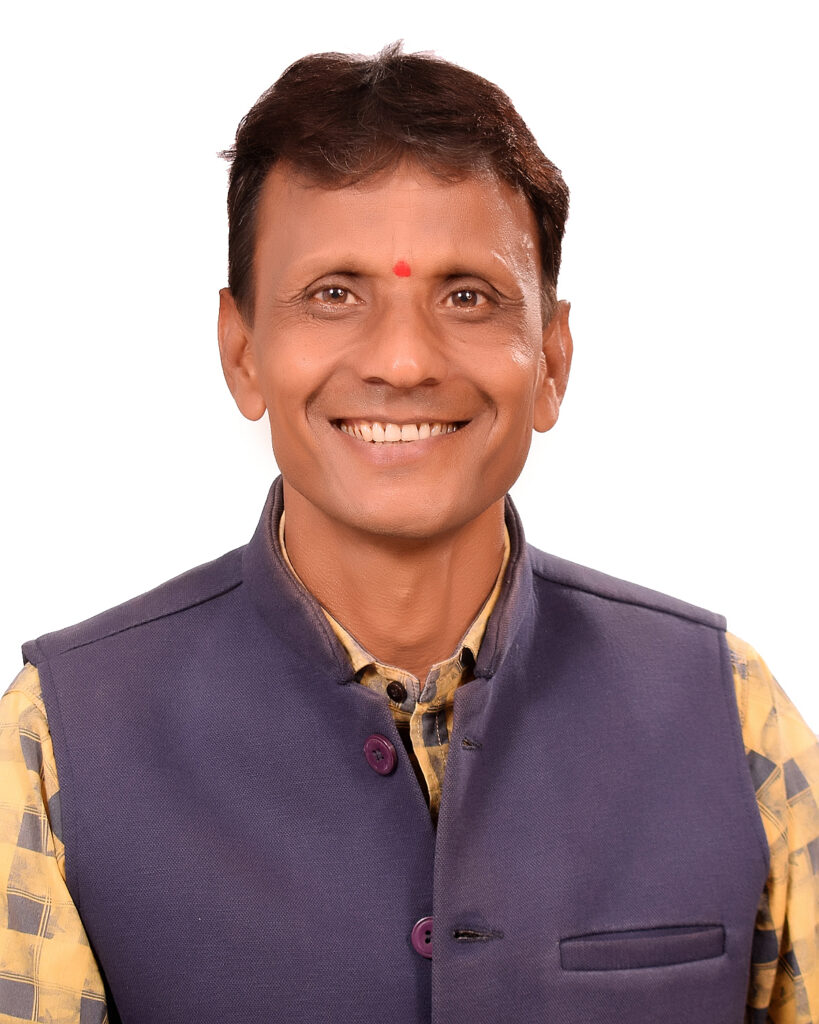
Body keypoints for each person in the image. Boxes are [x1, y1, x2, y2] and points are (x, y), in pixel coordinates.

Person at [1, 42, 817, 1024]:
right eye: (333, 294)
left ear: (552, 360)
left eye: (467, 296)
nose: (401, 360)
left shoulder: (733, 717)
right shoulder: (56, 746)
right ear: (242, 350)